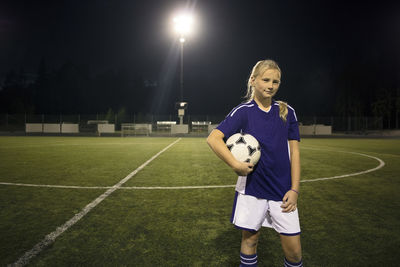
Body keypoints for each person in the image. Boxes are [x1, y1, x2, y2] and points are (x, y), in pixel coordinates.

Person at [207, 59, 303, 267]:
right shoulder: (244, 111)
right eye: (266, 79)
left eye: (275, 82)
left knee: (294, 252)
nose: (271, 85)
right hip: (252, 188)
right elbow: (213, 138)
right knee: (250, 240)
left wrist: (294, 189)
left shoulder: (287, 111)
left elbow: (294, 153)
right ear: (253, 80)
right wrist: (234, 163)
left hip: (282, 190)